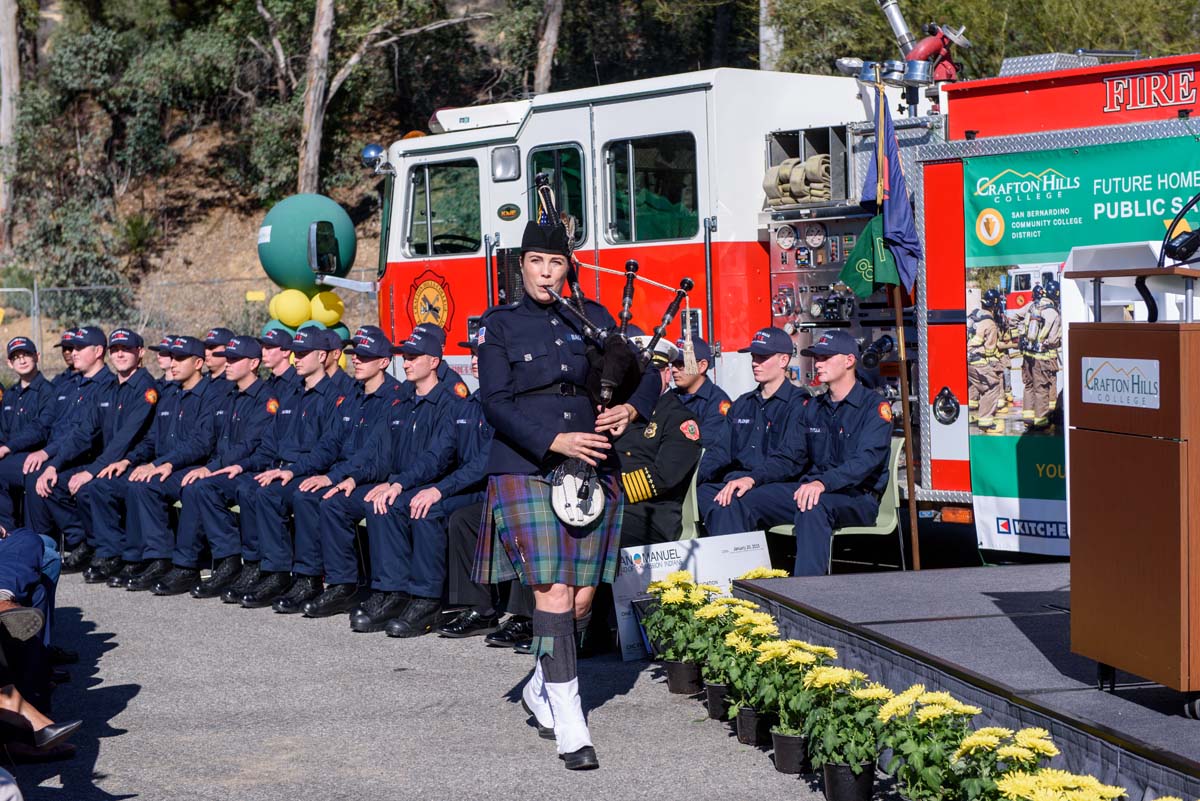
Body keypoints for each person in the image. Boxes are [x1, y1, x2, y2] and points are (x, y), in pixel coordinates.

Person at [470, 219, 659, 771]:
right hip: (526, 465)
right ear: (521, 265)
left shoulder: (593, 319)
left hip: (591, 466)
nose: (545, 272)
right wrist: (553, 439)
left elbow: (646, 375)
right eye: (535, 262)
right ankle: (571, 722)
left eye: (555, 263)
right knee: (552, 590)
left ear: (567, 268)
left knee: (579, 600)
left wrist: (629, 409)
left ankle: (540, 684)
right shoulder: (498, 326)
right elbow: (494, 403)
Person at [277, 326, 402, 616]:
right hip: (348, 473)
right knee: (306, 493)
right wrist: (298, 470)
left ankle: (370, 588)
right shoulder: (353, 395)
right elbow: (330, 444)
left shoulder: (394, 398)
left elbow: (372, 453)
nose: (356, 360)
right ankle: (318, 580)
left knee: (336, 502)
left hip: (375, 477)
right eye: (355, 354)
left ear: (383, 362)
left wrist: (336, 477)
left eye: (364, 356)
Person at [352, 324, 459, 635]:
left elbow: (439, 457)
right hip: (409, 481)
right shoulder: (403, 402)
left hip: (440, 484)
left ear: (434, 361)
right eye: (405, 356)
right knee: (379, 504)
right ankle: (392, 592)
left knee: (419, 507)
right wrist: (382, 482)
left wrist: (399, 483)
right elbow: (381, 451)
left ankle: (427, 600)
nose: (407, 362)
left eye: (414, 356)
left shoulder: (449, 402)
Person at [231, 328, 343, 608]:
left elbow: (329, 447)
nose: (297, 359)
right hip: (284, 470)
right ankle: (264, 568)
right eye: (296, 353)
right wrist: (244, 466)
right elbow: (270, 443)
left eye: (304, 354)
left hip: (309, 472)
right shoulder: (292, 394)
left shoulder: (335, 397)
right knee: (248, 486)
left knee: (287, 496)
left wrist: (294, 469)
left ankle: (306, 577)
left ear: (322, 355)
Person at [171, 338, 278, 600]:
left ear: (254, 364)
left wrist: (213, 468)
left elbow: (249, 445)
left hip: (252, 468)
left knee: (208, 486)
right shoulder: (227, 397)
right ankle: (220, 561)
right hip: (227, 468)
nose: (227, 364)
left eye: (234, 359)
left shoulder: (266, 399)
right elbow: (207, 438)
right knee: (196, 485)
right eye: (226, 358)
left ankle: (242, 563)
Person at [52, 329, 157, 584]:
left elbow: (126, 439)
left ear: (140, 352)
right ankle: (93, 543)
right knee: (57, 483)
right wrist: (53, 464)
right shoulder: (109, 388)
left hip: (136, 462)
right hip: (108, 461)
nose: (120, 354)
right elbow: (84, 431)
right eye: (115, 350)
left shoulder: (146, 389)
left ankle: (112, 554)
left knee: (95, 486)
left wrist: (92, 470)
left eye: (127, 349)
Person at [788, 329, 892, 576]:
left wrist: (822, 483)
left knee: (813, 506)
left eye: (825, 357)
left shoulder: (874, 407)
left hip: (858, 498)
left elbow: (865, 461)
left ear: (849, 361)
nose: (818, 363)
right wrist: (752, 479)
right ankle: (738, 594)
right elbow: (791, 455)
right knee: (742, 499)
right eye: (816, 357)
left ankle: (806, 597)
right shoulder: (813, 406)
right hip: (814, 489)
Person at [696, 327, 808, 536]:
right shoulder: (742, 404)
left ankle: (735, 567)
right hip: (738, 481)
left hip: (776, 484)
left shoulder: (799, 404)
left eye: (763, 357)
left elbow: (790, 460)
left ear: (783, 360)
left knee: (730, 502)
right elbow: (720, 451)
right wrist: (693, 479)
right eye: (754, 356)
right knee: (699, 495)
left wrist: (752, 479)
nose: (755, 362)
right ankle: (738, 563)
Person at [22, 327, 116, 569]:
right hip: (65, 454)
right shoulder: (73, 383)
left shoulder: (108, 385)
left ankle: (80, 542)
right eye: (72, 348)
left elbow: (84, 436)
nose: (72, 353)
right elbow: (54, 426)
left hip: (91, 458)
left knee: (45, 480)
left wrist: (52, 462)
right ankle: (48, 545)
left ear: (98, 351)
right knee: (37, 476)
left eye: (79, 348)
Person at [616, 338, 702, 547]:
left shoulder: (679, 418)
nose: (644, 380)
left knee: (602, 535)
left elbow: (663, 477)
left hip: (650, 516)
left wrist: (611, 492)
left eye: (652, 372)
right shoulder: (619, 411)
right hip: (612, 506)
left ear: (665, 374)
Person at [0, 338, 58, 531]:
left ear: (37, 357)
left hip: (36, 457)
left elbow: (41, 428)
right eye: (16, 357)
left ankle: (6, 529)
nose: (22, 360)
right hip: (11, 456)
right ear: (10, 363)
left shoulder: (48, 391)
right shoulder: (10, 394)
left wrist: (7, 448)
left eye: (26, 355)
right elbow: (3, 430)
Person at [669, 336, 730, 449]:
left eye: (681, 364)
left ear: (702, 366)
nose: (673, 369)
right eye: (673, 364)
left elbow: (702, 443)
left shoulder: (717, 402)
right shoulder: (669, 397)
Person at [1024, 280, 1061, 431]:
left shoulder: (1033, 306)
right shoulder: (1054, 313)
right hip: (1042, 357)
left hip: (1027, 355)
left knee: (1029, 385)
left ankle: (1028, 417)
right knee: (1041, 389)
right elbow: (1052, 340)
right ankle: (1040, 421)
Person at [967, 291, 1004, 435]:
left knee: (979, 386)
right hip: (978, 361)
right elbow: (990, 350)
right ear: (994, 306)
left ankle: (976, 414)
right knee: (992, 386)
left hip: (966, 358)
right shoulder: (990, 323)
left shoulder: (973, 315)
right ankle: (986, 422)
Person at [260, 328, 301, 401]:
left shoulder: (300, 382)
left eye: (268, 348)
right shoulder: (267, 382)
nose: (263, 353)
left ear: (286, 352)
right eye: (262, 347)